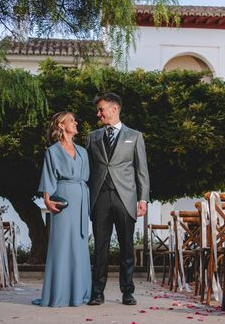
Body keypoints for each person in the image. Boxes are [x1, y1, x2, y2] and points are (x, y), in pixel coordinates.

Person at [86, 92, 150, 305]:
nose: (98, 114)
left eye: (101, 109)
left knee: (127, 247)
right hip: (100, 198)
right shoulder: (92, 137)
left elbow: (142, 171)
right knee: (100, 248)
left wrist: (143, 199)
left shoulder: (135, 136)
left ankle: (127, 291)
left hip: (126, 198)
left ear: (114, 109)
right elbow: (87, 169)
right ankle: (97, 292)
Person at [33, 111, 92, 307]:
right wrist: (47, 201)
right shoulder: (52, 151)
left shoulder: (83, 151)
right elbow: (49, 176)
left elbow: (87, 177)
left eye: (75, 120)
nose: (76, 123)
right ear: (61, 125)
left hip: (82, 198)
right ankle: (58, 294)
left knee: (79, 245)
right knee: (61, 245)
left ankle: (79, 292)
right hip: (62, 201)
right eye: (72, 121)